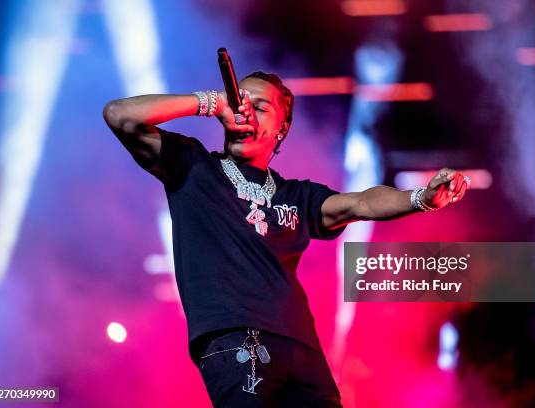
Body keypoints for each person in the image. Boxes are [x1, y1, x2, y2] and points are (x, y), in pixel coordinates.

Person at [102, 71, 469, 407]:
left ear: (282, 127)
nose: (244, 110)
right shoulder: (194, 166)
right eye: (239, 101)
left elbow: (361, 202)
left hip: (303, 350)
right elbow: (121, 114)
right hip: (236, 342)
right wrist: (211, 101)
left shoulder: (298, 195)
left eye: (258, 106)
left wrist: (420, 199)